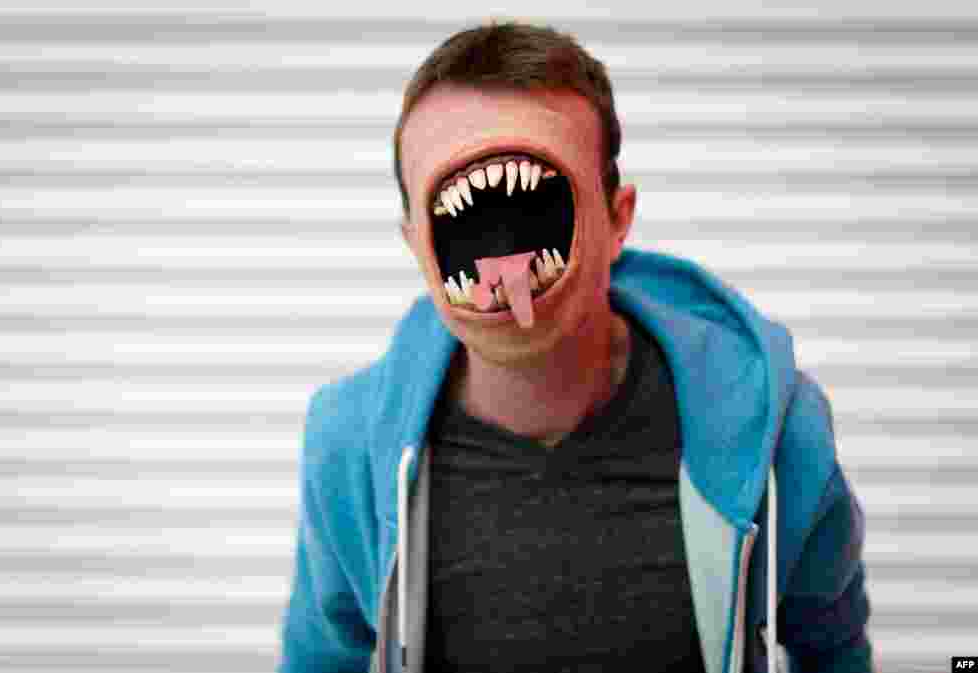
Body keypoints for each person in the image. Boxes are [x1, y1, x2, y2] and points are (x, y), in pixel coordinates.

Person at [279, 22, 874, 673]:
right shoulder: (348, 450)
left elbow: (834, 649)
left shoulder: (782, 439)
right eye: (459, 222)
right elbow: (319, 659)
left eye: (536, 208)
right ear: (417, 243)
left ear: (618, 219)